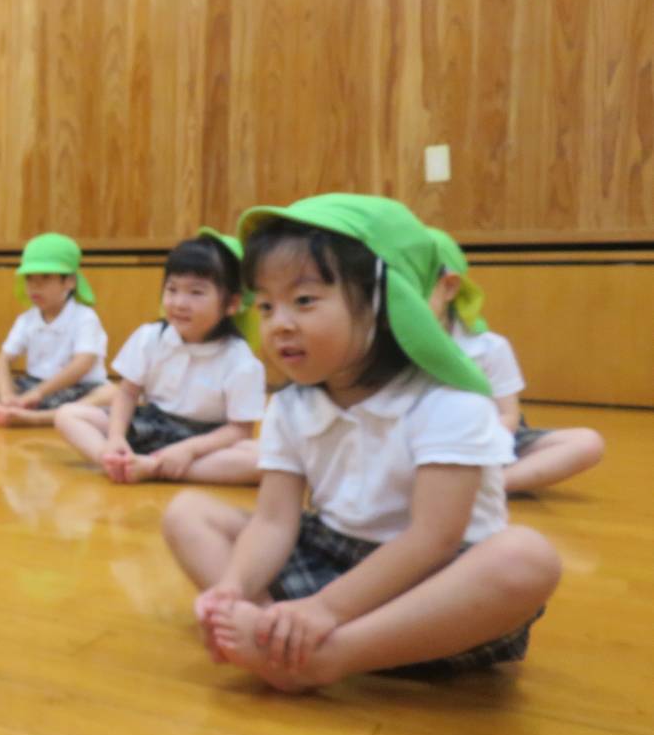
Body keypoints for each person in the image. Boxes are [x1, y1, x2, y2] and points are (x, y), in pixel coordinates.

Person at [162, 194, 562, 689]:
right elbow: (273, 521)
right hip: (334, 554)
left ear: (385, 303)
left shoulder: (448, 402)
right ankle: (275, 635)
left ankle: (330, 656)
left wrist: (326, 609)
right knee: (187, 513)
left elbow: (434, 539)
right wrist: (233, 586)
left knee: (526, 558)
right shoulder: (290, 405)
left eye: (304, 301)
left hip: (430, 587)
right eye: (265, 305)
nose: (279, 323)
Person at [54, 230, 263, 484]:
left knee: (261, 458)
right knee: (68, 414)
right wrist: (116, 438)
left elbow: (240, 430)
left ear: (231, 304)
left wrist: (189, 450)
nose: (179, 303)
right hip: (148, 426)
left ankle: (153, 467)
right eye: (172, 289)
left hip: (203, 442)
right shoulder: (149, 337)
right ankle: (114, 461)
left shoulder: (240, 360)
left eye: (196, 293)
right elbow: (127, 393)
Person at [427, 228, 604, 494]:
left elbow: (508, 416)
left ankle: (488, 487)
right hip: (421, 443)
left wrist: (475, 449)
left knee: (587, 442)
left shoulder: (489, 347)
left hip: (486, 439)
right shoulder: (384, 343)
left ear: (449, 287)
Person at [0, 233, 111, 428]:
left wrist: (38, 393)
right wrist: (7, 395)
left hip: (77, 389)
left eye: (45, 278)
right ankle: (5, 410)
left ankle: (37, 417)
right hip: (34, 386)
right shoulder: (26, 319)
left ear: (70, 281)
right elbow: (3, 360)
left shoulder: (85, 317)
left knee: (111, 394)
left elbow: (82, 364)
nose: (35, 287)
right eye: (30, 279)